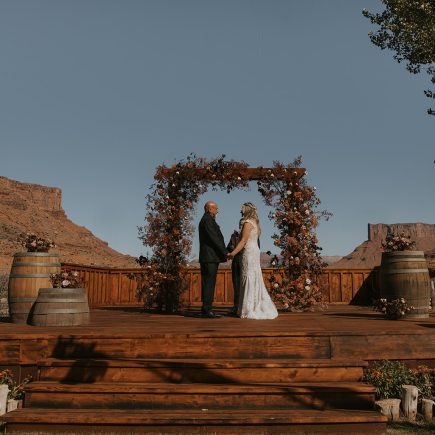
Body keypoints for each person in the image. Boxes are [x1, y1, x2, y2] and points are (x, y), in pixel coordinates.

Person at [228, 203, 278, 320]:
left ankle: (249, 308)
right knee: (252, 277)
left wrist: (233, 253)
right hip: (254, 251)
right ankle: (251, 305)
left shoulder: (248, 223)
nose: (241, 212)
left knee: (248, 277)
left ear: (246, 211)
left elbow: (243, 240)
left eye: (242, 210)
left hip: (249, 253)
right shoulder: (255, 223)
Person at [198, 201, 228, 318]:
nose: (217, 211)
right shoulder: (207, 220)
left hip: (208, 257)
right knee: (209, 283)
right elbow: (214, 238)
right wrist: (225, 252)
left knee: (208, 283)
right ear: (210, 209)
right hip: (209, 257)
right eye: (216, 208)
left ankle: (206, 308)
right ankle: (207, 310)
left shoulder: (207, 220)